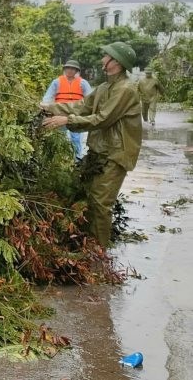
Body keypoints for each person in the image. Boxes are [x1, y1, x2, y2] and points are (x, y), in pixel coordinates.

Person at [42, 42, 142, 247]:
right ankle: (91, 246)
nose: (102, 60)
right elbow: (81, 106)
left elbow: (103, 119)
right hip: (99, 150)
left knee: (100, 203)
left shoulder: (126, 89)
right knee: (87, 196)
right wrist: (49, 108)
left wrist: (67, 121)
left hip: (116, 153)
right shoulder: (105, 87)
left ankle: (99, 254)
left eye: (106, 56)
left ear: (117, 63)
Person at [41, 59, 92, 161]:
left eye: (73, 69)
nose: (70, 70)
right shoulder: (57, 82)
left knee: (76, 138)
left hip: (76, 114)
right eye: (68, 68)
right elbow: (47, 97)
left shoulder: (83, 83)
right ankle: (58, 160)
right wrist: (46, 108)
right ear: (64, 69)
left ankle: (77, 160)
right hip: (59, 114)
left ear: (76, 71)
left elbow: (90, 99)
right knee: (60, 137)